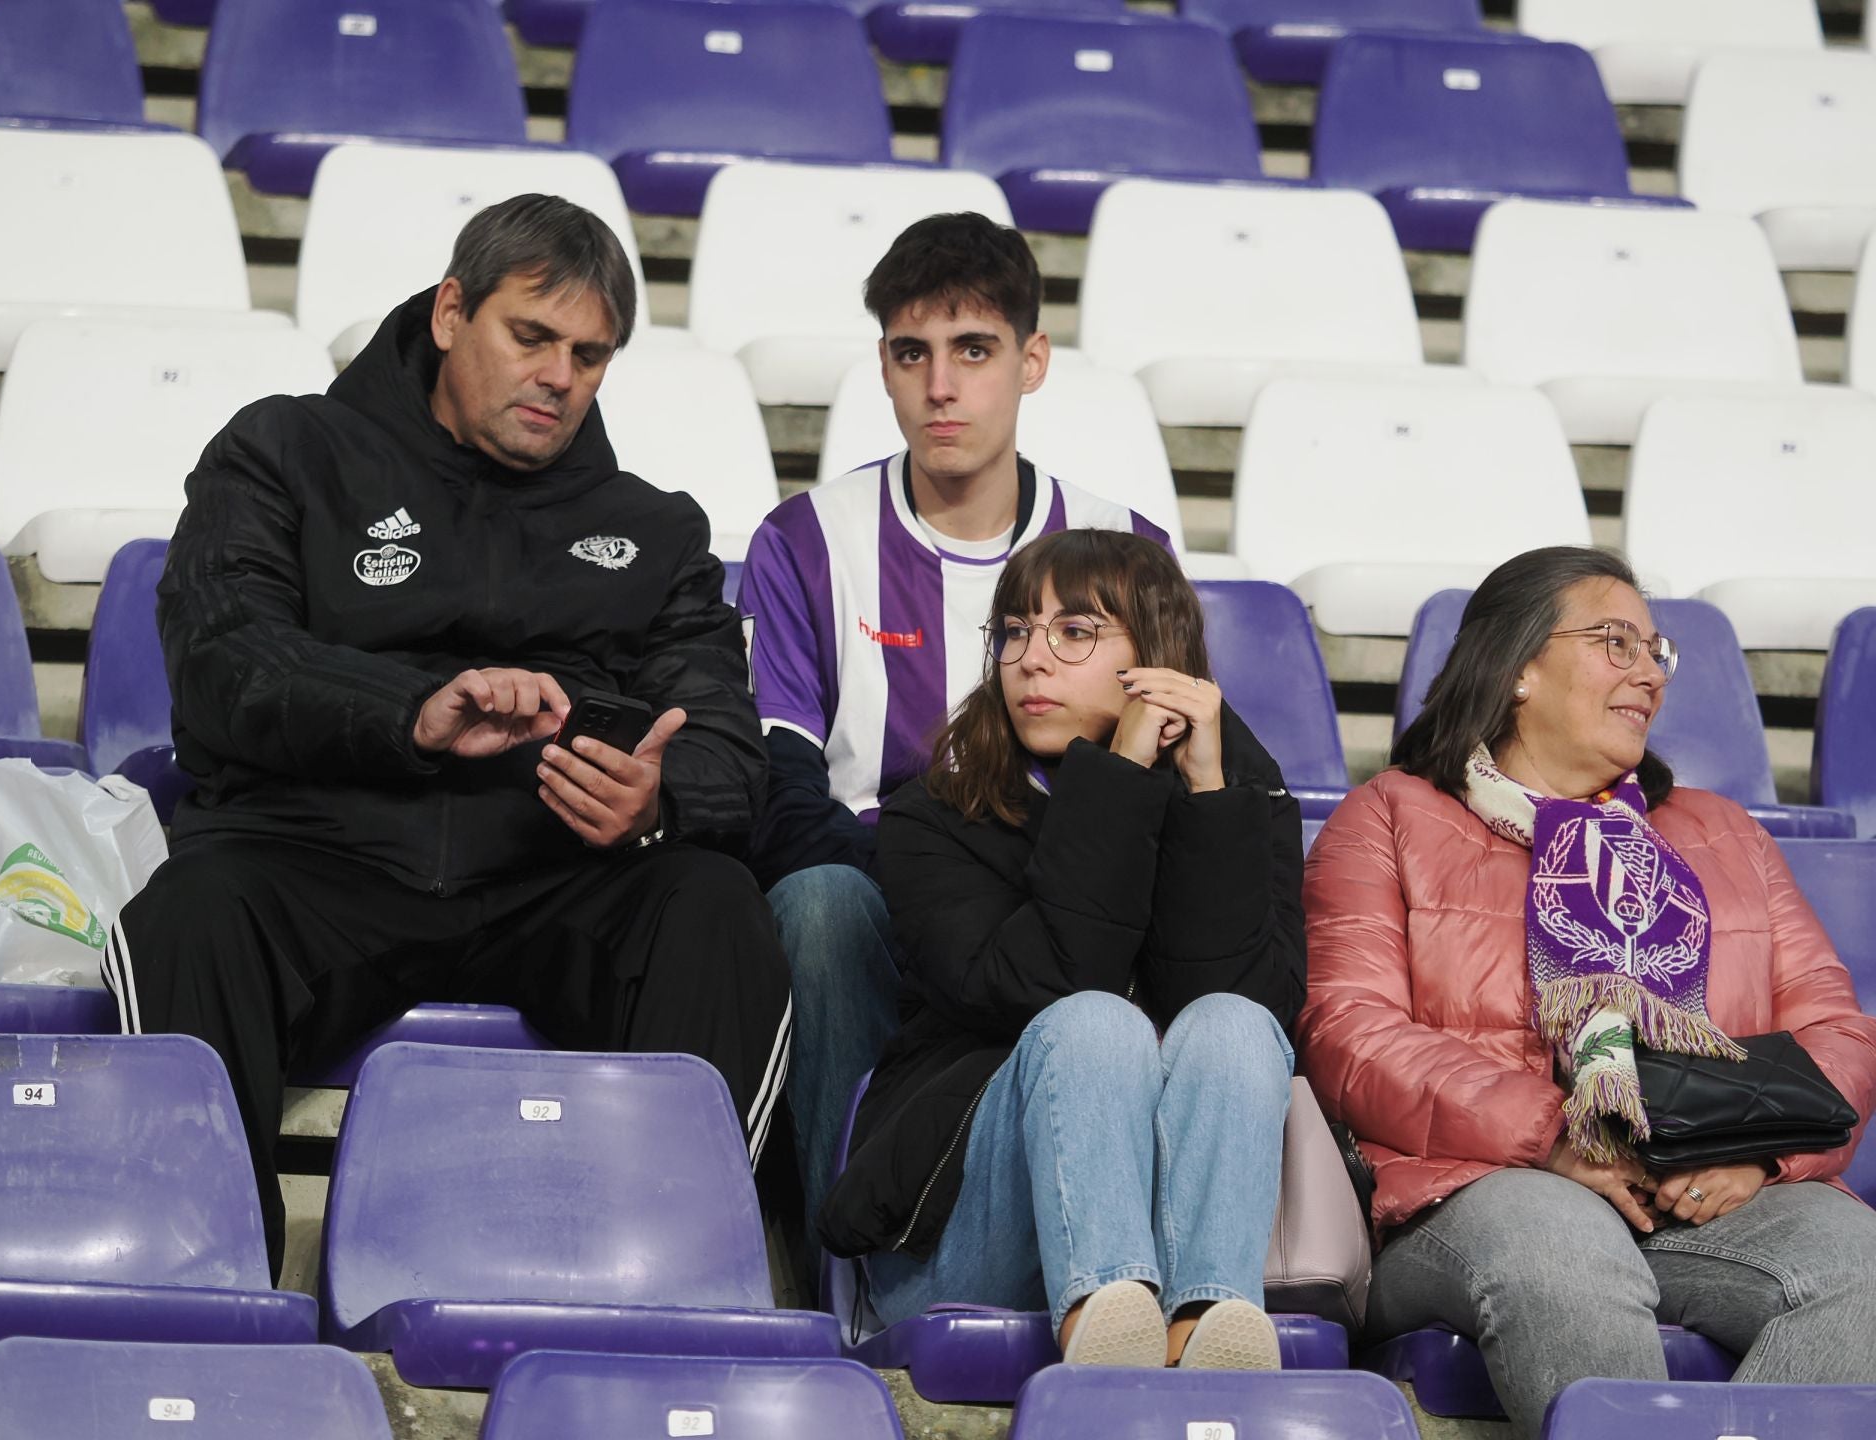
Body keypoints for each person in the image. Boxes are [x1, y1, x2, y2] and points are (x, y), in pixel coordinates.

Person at [104, 195, 791, 1277]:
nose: (561, 376)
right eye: (532, 336)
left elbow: (721, 739)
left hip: (552, 871)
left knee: (715, 908)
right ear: (450, 312)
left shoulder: (656, 527)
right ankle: (204, 1272)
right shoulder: (285, 450)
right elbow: (223, 661)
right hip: (315, 854)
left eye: (591, 355)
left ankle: (679, 1274)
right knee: (191, 914)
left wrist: (656, 802)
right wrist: (407, 716)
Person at [1299, 545, 1876, 1436]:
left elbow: (1835, 1031)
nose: (1649, 672)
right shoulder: (1390, 816)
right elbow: (1350, 1034)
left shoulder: (1721, 834)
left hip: (1700, 1197)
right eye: (1617, 643)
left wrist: (1758, 1155)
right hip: (1477, 1191)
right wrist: (1553, 1135)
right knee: (1558, 1240)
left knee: (1861, 1263)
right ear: (1519, 666)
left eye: (1657, 651)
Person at [737, 212, 1170, 1233]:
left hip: (1057, 894)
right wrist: (932, 885)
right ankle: (841, 1251)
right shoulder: (806, 540)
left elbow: (1161, 775)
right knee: (820, 905)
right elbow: (781, 780)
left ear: (1031, 362)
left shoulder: (1123, 545)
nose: (941, 386)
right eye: (911, 353)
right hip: (877, 893)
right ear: (883, 366)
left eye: (973, 351)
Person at [818, 529, 1305, 1368]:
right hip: (958, 1242)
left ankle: (1204, 1324)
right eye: (1014, 630)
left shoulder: (1242, 799)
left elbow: (1245, 1001)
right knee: (1094, 1023)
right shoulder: (933, 818)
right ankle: (1105, 1324)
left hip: (1181, 1231)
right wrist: (1114, 779)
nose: (1030, 660)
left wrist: (1206, 797)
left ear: (1159, 657)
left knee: (1233, 1024)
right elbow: (1042, 981)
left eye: (1074, 632)